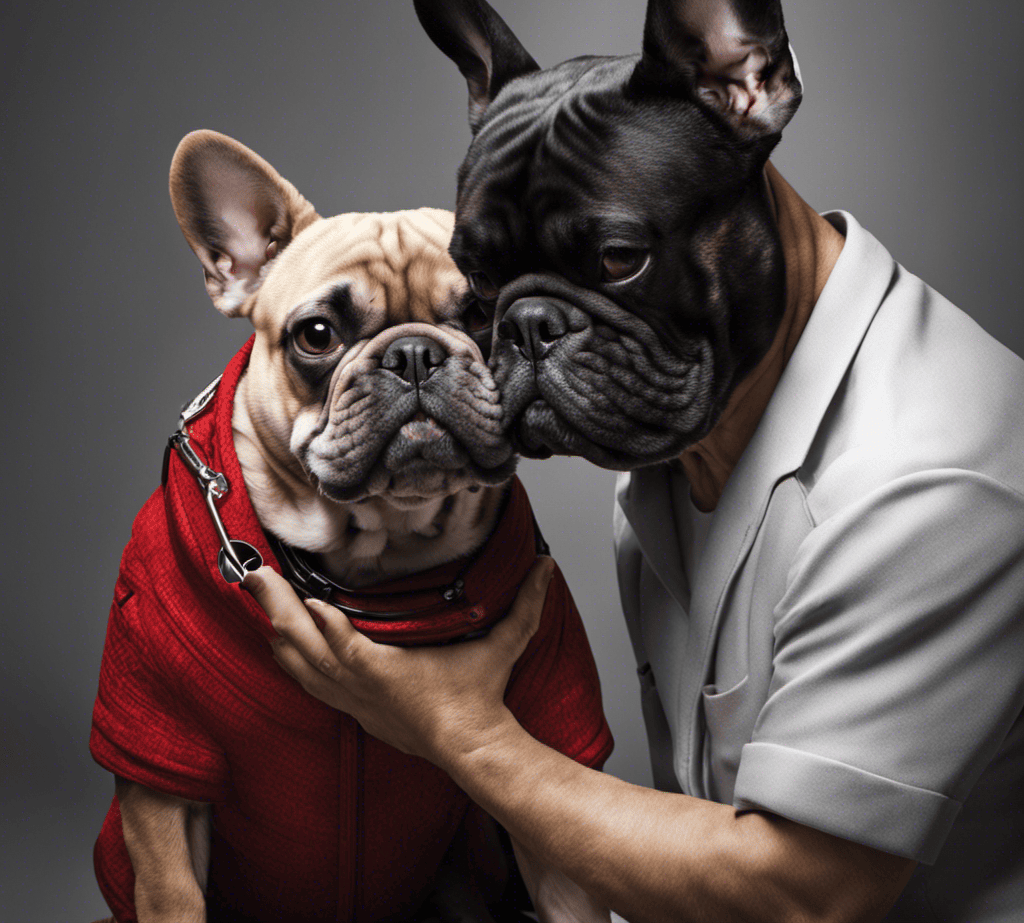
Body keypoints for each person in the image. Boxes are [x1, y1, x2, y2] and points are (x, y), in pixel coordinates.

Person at [244, 167, 1024, 922]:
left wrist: (456, 730)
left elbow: (799, 899)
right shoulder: (673, 445)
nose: (558, 315)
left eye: (617, 260)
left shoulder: (927, 483)